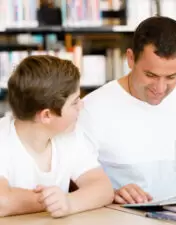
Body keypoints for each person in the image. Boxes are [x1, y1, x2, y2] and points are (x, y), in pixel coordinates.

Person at [76, 16, 176, 204]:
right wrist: (111, 194)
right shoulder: (92, 108)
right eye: (150, 75)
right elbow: (71, 182)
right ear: (130, 59)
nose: (160, 88)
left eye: (171, 77)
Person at [0, 55, 114, 217]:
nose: (81, 106)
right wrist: (51, 201)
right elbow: (2, 202)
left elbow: (102, 188)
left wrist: (69, 203)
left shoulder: (70, 135)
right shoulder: (3, 139)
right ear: (47, 115)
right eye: (74, 102)